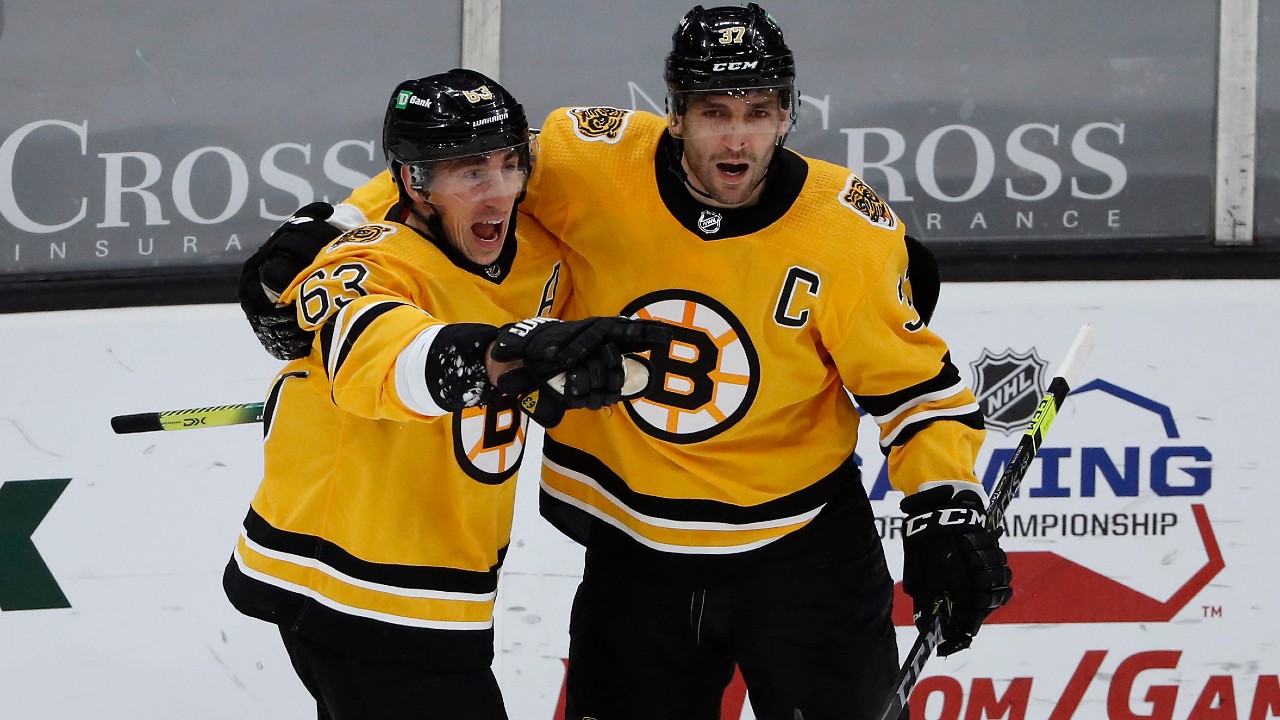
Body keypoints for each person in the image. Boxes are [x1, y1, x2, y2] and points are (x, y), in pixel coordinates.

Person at [238, 6, 1012, 719]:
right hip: (636, 556)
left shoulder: (846, 232)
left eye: (757, 113)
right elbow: (457, 160)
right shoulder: (591, 159)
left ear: (788, 115)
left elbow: (917, 393)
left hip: (804, 555)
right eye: (713, 113)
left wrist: (945, 503)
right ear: (674, 112)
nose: (736, 140)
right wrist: (336, 222)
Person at [223, 69, 667, 720]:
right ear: (416, 182)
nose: (499, 192)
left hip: (444, 569)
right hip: (352, 576)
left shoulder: (540, 249)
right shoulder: (364, 262)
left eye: (508, 165)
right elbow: (379, 358)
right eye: (470, 173)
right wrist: (500, 358)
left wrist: (572, 365)